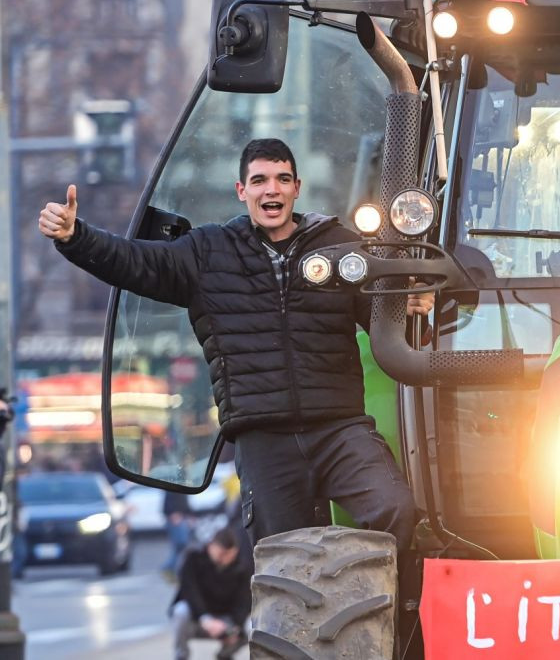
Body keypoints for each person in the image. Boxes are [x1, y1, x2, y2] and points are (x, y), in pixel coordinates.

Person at [38, 138, 433, 616]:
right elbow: (134, 262)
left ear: (296, 188)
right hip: (264, 438)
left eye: (283, 179)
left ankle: (401, 622)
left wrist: (411, 306)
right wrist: (73, 236)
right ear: (241, 190)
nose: (273, 190)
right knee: (284, 574)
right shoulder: (206, 252)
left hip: (340, 428)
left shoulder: (338, 246)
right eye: (261, 180)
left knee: (397, 509)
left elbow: (383, 314)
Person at [170, 527, 251, 660]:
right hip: (198, 617)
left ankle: (226, 654)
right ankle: (181, 655)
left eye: (229, 555)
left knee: (252, 626)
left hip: (226, 620)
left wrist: (236, 627)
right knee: (180, 611)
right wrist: (205, 618)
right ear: (211, 546)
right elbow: (189, 591)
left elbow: (245, 600)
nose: (225, 559)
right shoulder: (193, 558)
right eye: (221, 553)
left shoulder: (242, 566)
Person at [162, 488, 195, 578]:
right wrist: (173, 513)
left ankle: (172, 568)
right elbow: (169, 502)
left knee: (181, 545)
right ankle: (168, 567)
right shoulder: (173, 485)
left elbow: (184, 502)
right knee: (180, 544)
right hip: (176, 518)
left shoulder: (183, 485)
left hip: (182, 517)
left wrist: (190, 514)